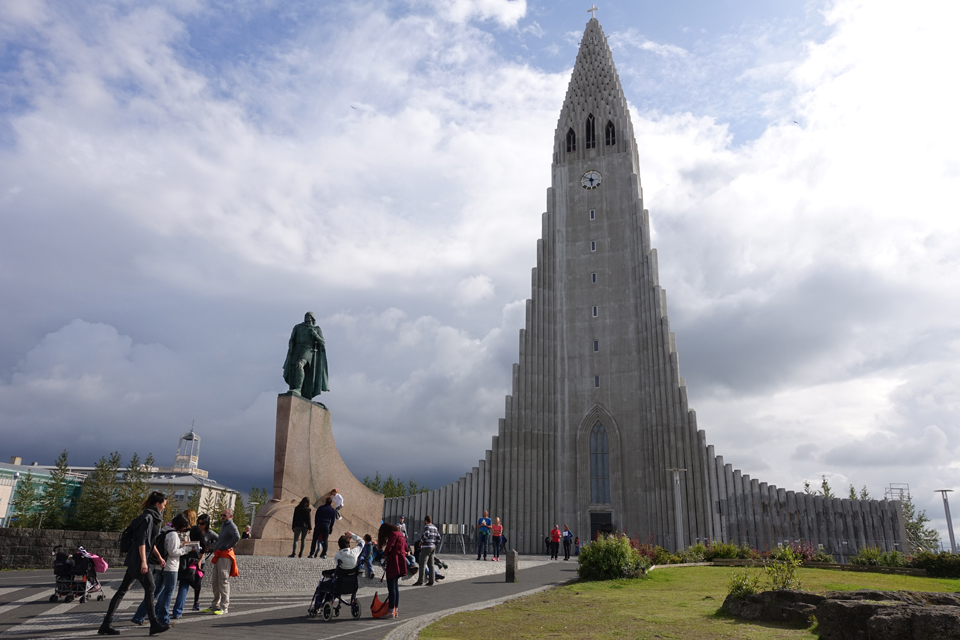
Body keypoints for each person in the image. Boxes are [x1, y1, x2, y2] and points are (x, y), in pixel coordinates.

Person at [98, 491, 169, 636]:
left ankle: (106, 624)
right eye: (164, 504)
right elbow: (141, 541)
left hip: (136, 559)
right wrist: (143, 561)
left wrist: (159, 557)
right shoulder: (147, 518)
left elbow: (150, 541)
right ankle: (154, 623)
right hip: (138, 559)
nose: (164, 507)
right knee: (150, 588)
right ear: (158, 504)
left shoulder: (150, 517)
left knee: (122, 591)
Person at [133, 514, 191, 626]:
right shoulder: (173, 534)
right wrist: (186, 549)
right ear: (180, 525)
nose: (185, 529)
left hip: (160, 565)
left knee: (154, 592)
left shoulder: (164, 531)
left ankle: (139, 616)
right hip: (171, 567)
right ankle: (164, 618)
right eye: (185, 526)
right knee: (168, 592)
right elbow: (173, 552)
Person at [282, 311, 329, 398]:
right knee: (294, 369)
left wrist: (315, 335)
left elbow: (322, 342)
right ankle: (298, 389)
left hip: (308, 350)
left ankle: (298, 389)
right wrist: (291, 350)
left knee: (300, 364)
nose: (307, 317)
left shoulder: (316, 329)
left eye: (309, 316)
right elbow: (292, 339)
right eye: (306, 316)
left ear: (313, 318)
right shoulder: (298, 327)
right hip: (297, 349)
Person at [204, 507, 240, 615]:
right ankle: (215, 605)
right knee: (216, 581)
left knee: (223, 581)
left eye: (224, 515)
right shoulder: (225, 526)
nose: (222, 517)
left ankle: (224, 607)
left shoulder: (232, 526)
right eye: (222, 515)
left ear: (230, 516)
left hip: (225, 556)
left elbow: (237, 537)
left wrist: (228, 546)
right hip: (219, 554)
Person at [379, 522, 407, 619]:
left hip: (393, 562)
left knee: (391, 588)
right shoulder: (400, 534)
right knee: (395, 587)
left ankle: (391, 611)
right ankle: (395, 610)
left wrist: (384, 554)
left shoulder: (393, 535)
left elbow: (389, 548)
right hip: (400, 561)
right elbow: (406, 548)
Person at [413, 515, 440, 586]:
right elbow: (439, 538)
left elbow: (426, 534)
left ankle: (420, 581)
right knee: (431, 564)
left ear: (426, 520)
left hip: (426, 547)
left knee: (422, 564)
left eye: (424, 521)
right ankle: (431, 581)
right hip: (433, 547)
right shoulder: (435, 527)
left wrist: (421, 541)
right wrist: (434, 544)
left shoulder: (427, 527)